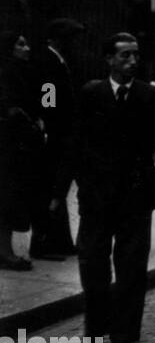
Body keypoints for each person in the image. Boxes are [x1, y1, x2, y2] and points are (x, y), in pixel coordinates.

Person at [62, 33, 155, 343]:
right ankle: (95, 328)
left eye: (136, 55)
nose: (132, 61)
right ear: (109, 59)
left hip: (135, 195)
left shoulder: (148, 96)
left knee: (132, 265)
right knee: (92, 262)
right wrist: (64, 189)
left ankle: (125, 331)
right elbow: (74, 143)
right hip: (96, 197)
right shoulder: (91, 94)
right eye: (125, 55)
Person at [31, 17, 85, 259]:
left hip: (61, 133)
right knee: (50, 189)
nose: (72, 43)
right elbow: (47, 95)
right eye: (69, 38)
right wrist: (50, 122)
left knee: (58, 189)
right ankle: (42, 243)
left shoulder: (59, 60)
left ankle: (61, 241)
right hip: (55, 134)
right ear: (56, 39)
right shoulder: (48, 61)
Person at [0, 31, 44, 269]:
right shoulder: (9, 73)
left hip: (24, 141)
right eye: (21, 44)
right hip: (12, 143)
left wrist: (45, 114)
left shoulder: (28, 70)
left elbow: (46, 95)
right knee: (8, 197)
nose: (27, 49)